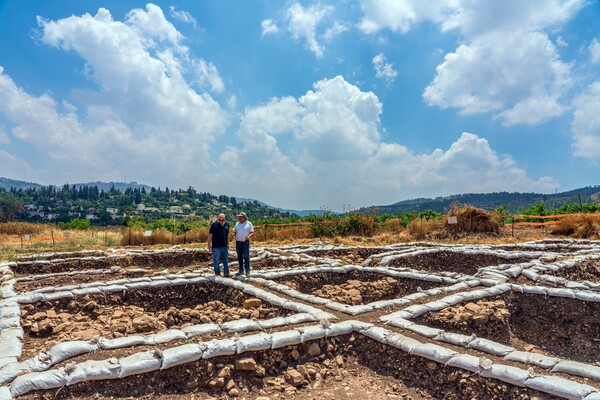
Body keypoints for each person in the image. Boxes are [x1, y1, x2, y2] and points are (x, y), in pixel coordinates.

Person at [233, 212, 254, 277]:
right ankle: (241, 270)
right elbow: (234, 231)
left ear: (244, 217)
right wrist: (233, 233)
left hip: (245, 243)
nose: (239, 218)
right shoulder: (237, 224)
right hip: (238, 242)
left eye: (240, 217)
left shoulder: (249, 223)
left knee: (246, 257)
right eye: (239, 217)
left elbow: (252, 232)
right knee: (239, 257)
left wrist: (248, 237)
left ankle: (247, 271)